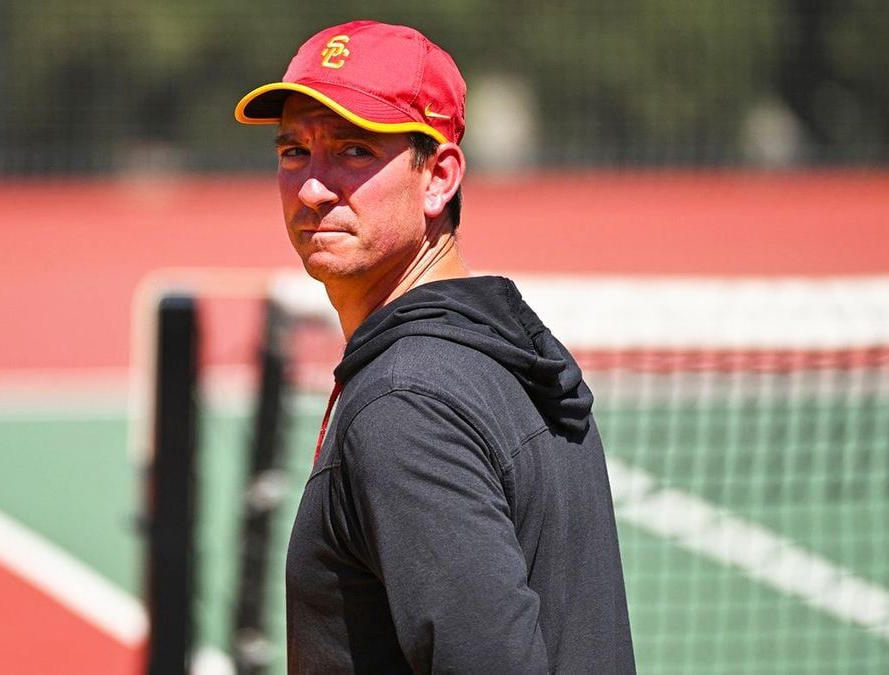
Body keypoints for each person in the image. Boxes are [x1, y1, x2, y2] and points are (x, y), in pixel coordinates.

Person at [235, 20, 635, 673]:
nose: (312, 186)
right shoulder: (500, 356)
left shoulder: (406, 402)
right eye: (292, 151)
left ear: (439, 177)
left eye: (354, 151)